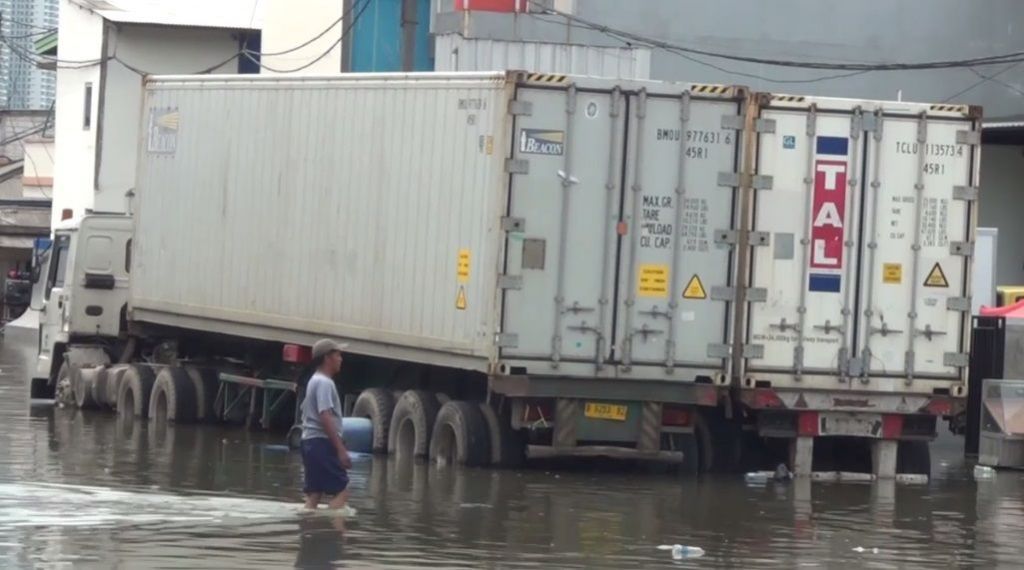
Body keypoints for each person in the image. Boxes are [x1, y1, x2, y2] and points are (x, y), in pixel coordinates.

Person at [300, 339, 353, 511]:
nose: (341, 359)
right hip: (321, 443)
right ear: (327, 358)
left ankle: (309, 531)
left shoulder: (314, 380)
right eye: (338, 355)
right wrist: (340, 449)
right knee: (342, 492)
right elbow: (325, 416)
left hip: (310, 442)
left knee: (314, 495)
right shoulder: (324, 383)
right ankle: (335, 536)